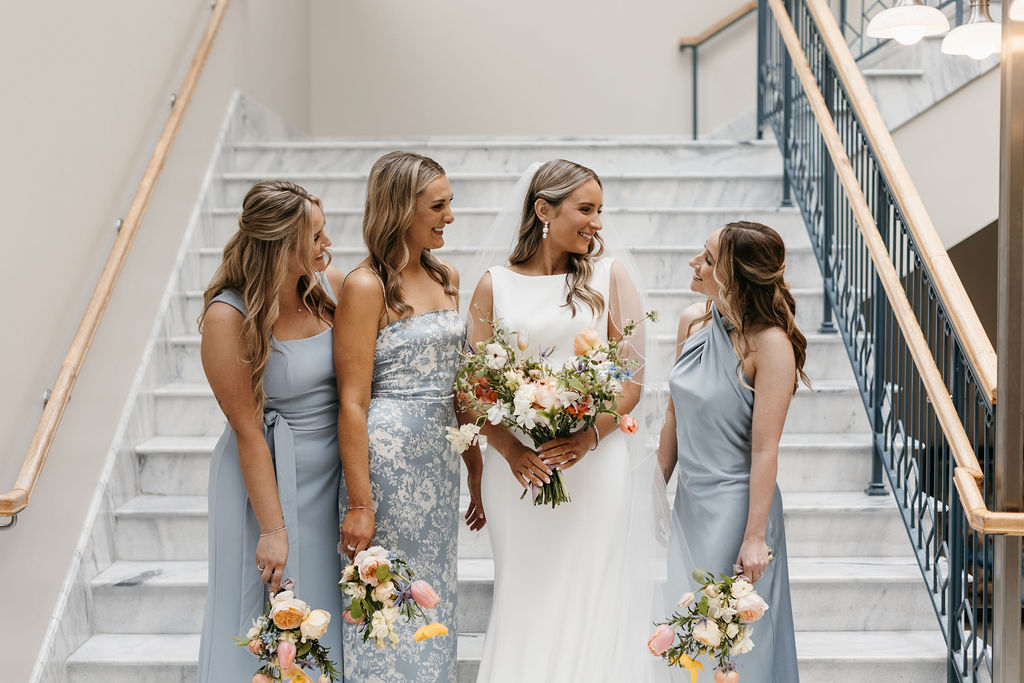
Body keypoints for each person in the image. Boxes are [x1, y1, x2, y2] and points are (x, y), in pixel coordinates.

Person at [467, 159, 662, 682]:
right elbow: (474, 388)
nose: (598, 221)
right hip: (519, 471)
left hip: (595, 466)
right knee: (525, 593)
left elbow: (630, 383)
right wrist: (510, 451)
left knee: (592, 592)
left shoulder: (610, 275)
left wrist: (586, 438)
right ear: (543, 210)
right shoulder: (494, 285)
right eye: (586, 209)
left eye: (600, 210)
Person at [335, 151, 485, 682]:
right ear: (401, 209)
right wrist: (360, 502)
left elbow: (458, 385)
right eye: (438, 206)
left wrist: (474, 468)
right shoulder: (365, 286)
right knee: (385, 601)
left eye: (450, 204)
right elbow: (352, 401)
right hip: (387, 463)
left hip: (439, 459)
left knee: (433, 598)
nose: (450, 216)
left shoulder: (447, 276)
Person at [196, 180, 346, 681]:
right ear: (282, 244)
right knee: (261, 619)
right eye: (317, 236)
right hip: (264, 484)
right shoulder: (228, 315)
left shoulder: (329, 287)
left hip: (330, 484)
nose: (329, 244)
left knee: (323, 611)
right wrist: (272, 530)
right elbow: (246, 429)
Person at [658, 221, 804, 682]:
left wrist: (755, 537)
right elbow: (673, 419)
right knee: (687, 636)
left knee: (734, 647)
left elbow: (765, 451)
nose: (694, 263)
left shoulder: (771, 345)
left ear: (734, 274)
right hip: (692, 504)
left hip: (738, 512)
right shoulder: (693, 321)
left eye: (706, 257)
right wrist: (651, 490)